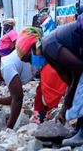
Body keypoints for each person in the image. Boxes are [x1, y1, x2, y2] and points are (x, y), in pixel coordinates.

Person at [15, 18, 83, 146]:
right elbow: (69, 81)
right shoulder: (49, 57)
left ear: (32, 47)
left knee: (81, 85)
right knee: (77, 88)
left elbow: (79, 68)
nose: (31, 63)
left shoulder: (48, 45)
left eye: (28, 59)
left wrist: (69, 96)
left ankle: (82, 133)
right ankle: (78, 129)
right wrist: (64, 109)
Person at [0, 50, 66, 128]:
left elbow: (17, 99)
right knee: (42, 100)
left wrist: (9, 128)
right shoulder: (5, 64)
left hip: (51, 65)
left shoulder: (6, 68)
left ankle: (51, 127)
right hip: (50, 63)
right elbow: (14, 98)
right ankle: (51, 124)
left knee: (44, 101)